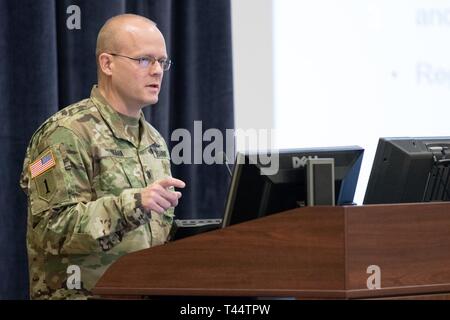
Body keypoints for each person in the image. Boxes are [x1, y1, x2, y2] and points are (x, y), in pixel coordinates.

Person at [19, 14, 186, 300]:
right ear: (107, 63)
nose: (157, 71)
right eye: (144, 60)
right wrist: (134, 203)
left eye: (162, 61)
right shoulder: (64, 134)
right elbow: (52, 229)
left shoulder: (154, 141)